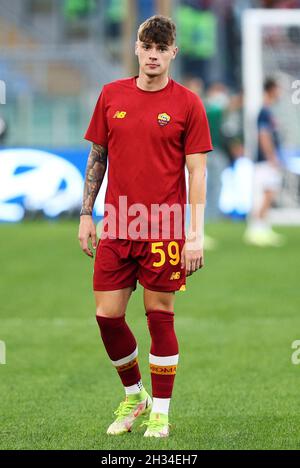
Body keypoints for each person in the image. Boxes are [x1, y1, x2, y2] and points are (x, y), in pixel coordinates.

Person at [78, 15, 212, 438]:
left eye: (161, 48)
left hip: (164, 229)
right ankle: (136, 395)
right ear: (136, 48)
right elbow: (98, 155)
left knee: (159, 316)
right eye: (146, 46)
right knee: (107, 317)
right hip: (117, 225)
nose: (153, 55)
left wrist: (194, 235)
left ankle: (162, 413)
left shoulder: (188, 103)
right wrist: (85, 213)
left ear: (173, 53)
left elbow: (198, 173)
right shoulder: (110, 95)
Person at [244, 77, 285, 247]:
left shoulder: (267, 110)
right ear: (271, 89)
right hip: (264, 160)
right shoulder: (265, 112)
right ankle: (256, 229)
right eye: (278, 89)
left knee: (267, 193)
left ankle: (262, 227)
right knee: (267, 193)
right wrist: (271, 156)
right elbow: (263, 135)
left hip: (265, 159)